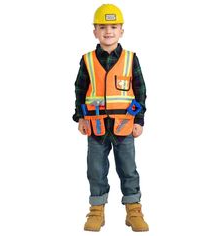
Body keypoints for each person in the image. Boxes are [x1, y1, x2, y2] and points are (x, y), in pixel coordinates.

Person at [73, 4, 149, 232]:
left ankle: (133, 210)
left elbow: (141, 90)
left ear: (121, 31)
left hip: (124, 126)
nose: (108, 31)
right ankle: (96, 211)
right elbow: (79, 90)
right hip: (95, 128)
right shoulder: (87, 60)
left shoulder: (130, 59)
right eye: (102, 27)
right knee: (95, 169)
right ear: (94, 31)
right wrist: (80, 118)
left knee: (128, 169)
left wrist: (139, 120)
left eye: (113, 26)